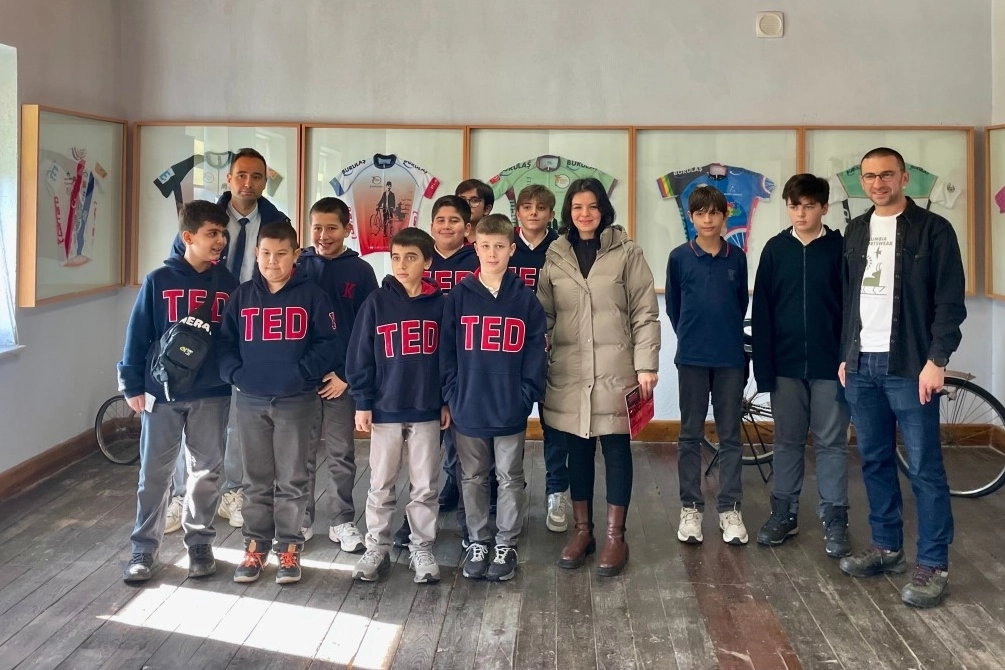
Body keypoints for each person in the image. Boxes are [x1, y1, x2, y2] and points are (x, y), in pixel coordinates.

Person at [837, 147, 966, 609]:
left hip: (910, 366)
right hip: (861, 365)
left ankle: (933, 564)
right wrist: (846, 354)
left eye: (886, 175)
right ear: (862, 182)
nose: (878, 183)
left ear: (904, 178)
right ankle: (886, 547)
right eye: (870, 177)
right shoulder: (856, 230)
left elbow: (950, 302)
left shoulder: (934, 230)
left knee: (925, 469)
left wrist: (937, 359)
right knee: (874, 461)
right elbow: (850, 297)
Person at [538, 178, 660, 577]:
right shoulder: (556, 256)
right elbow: (545, 314)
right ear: (568, 213)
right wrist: (540, 355)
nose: (585, 213)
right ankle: (583, 532)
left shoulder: (627, 252)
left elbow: (645, 312)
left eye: (592, 206)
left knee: (616, 449)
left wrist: (646, 364)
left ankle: (614, 536)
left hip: (616, 370)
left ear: (603, 209)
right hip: (570, 371)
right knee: (578, 452)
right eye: (577, 207)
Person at [170, 147, 291, 531]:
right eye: (241, 175)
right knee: (189, 408)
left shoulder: (276, 221)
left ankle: (234, 491)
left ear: (265, 181)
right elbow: (177, 267)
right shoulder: (207, 219)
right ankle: (181, 493)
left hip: (249, 327)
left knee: (239, 414)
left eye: (256, 176)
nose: (248, 183)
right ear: (229, 178)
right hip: (201, 324)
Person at [117, 200, 238, 582]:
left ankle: (199, 542)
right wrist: (131, 383)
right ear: (188, 236)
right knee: (155, 473)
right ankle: (143, 549)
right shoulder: (158, 280)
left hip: (212, 393)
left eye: (223, 233)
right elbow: (138, 335)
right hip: (161, 392)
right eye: (212, 233)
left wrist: (233, 374)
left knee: (206, 472)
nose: (220, 240)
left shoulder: (228, 284)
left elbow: (233, 339)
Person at [217, 221, 340, 585]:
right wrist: (236, 374)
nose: (273, 261)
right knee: (255, 479)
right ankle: (255, 546)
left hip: (296, 401)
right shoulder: (242, 296)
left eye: (281, 254)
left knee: (292, 478)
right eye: (266, 253)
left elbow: (329, 343)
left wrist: (302, 374)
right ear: (256, 254)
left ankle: (288, 547)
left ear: (296, 255)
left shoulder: (313, 296)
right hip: (250, 400)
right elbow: (225, 343)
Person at [442, 214, 548, 581]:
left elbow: (536, 353)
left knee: (509, 476)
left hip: (509, 407)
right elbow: (446, 351)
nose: (492, 253)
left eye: (499, 247)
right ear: (475, 248)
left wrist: (525, 395)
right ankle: (478, 540)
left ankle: (505, 542)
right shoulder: (460, 296)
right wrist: (452, 393)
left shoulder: (525, 300)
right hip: (468, 405)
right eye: (485, 246)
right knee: (472, 477)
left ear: (511, 250)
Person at [751, 174, 850, 557]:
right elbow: (762, 312)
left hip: (831, 366)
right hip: (785, 366)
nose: (802, 213)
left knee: (831, 443)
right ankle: (784, 513)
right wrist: (764, 369)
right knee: (787, 441)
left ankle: (835, 519)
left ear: (824, 207)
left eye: (810, 206)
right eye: (795, 206)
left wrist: (849, 358)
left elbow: (852, 310)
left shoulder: (840, 249)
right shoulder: (775, 250)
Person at [347, 228, 448, 584]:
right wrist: (362, 401)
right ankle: (377, 547)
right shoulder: (376, 302)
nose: (402, 264)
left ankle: (422, 547)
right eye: (396, 257)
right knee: (380, 483)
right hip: (385, 408)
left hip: (426, 409)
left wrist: (446, 400)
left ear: (428, 262)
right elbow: (360, 354)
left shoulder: (441, 305)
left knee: (425, 485)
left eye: (411, 257)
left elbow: (449, 358)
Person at [391, 195, 479, 549]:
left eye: (454, 220)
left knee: (464, 453)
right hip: (423, 369)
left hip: (464, 365)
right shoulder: (417, 259)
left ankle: (470, 525)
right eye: (440, 220)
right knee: (421, 458)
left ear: (467, 228)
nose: (446, 226)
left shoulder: (478, 260)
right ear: (431, 226)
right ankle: (411, 523)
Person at [667, 185, 749, 546]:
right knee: (690, 434)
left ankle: (730, 509)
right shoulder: (679, 258)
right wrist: (693, 337)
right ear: (691, 217)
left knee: (730, 435)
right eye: (700, 213)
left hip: (730, 358)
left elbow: (739, 304)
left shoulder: (737, 258)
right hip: (692, 359)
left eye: (714, 212)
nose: (708, 219)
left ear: (724, 216)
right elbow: (674, 308)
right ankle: (691, 508)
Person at [297, 197, 378, 552]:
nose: (323, 235)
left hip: (341, 381)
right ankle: (300, 519)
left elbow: (368, 330)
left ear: (348, 229)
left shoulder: (361, 272)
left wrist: (346, 374)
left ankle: (341, 520)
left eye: (332, 228)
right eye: (317, 227)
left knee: (342, 453)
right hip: (302, 379)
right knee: (300, 453)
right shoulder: (298, 265)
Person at [509, 185, 566, 533]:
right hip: (509, 351)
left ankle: (556, 491)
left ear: (551, 214)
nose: (533, 213)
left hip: (551, 348)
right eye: (527, 207)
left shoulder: (561, 249)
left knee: (554, 424)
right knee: (509, 423)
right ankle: (509, 490)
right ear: (517, 212)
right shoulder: (504, 244)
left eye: (541, 208)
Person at [456, 178, 494, 245]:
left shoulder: (497, 238)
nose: (467, 205)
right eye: (462, 200)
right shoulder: (449, 236)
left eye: (474, 200)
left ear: (486, 209)